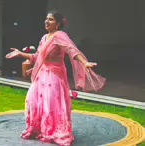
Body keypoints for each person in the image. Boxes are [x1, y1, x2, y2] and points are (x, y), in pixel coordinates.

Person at [6, 10, 106, 146]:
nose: (47, 21)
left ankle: (54, 131)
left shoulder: (60, 36)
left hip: (54, 77)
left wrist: (84, 62)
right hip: (41, 76)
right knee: (32, 101)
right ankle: (38, 129)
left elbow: (72, 51)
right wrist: (20, 54)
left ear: (58, 24)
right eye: (46, 19)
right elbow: (37, 56)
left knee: (50, 104)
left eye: (51, 19)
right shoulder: (44, 38)